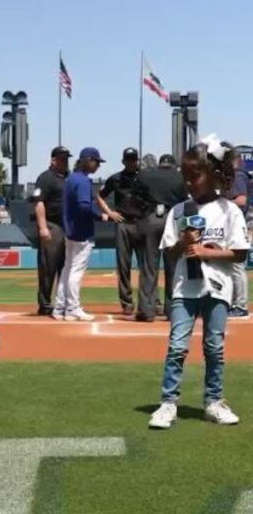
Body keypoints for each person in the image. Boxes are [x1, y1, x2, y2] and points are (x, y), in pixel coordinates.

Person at [148, 137, 249, 429]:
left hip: (217, 289)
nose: (190, 182)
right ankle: (168, 403)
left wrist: (206, 251)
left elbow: (240, 253)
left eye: (196, 175)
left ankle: (214, 401)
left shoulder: (229, 211)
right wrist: (184, 242)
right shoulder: (179, 211)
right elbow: (169, 251)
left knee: (214, 346)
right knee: (177, 345)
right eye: (186, 176)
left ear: (215, 175)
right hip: (183, 288)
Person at [55, 147, 112, 321]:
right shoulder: (83, 181)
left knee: (67, 269)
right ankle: (72, 308)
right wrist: (101, 216)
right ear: (87, 160)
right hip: (82, 232)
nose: (98, 165)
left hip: (70, 231)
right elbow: (84, 206)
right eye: (96, 161)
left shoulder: (71, 178)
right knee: (75, 271)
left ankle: (60, 307)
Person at [134, 155, 188, 322]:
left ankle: (146, 310)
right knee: (173, 267)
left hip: (151, 218)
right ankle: (173, 311)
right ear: (172, 164)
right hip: (172, 218)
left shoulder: (145, 174)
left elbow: (135, 196)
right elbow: (185, 199)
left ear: (160, 163)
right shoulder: (180, 176)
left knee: (149, 267)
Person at [100, 148, 144, 314]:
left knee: (145, 265)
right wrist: (109, 212)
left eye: (134, 159)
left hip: (141, 223)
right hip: (123, 223)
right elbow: (100, 195)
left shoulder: (144, 178)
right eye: (129, 159)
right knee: (123, 265)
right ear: (123, 161)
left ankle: (148, 301)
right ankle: (127, 303)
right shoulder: (116, 178)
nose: (132, 162)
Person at [32, 147, 71, 316]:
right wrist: (42, 227)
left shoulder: (69, 178)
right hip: (52, 225)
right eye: (62, 159)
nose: (65, 162)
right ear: (53, 160)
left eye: (66, 159)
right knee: (48, 267)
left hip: (68, 227)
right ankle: (45, 304)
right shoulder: (45, 178)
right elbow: (39, 202)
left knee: (66, 267)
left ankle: (64, 303)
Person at [226, 151, 250, 319]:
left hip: (239, 222)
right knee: (232, 264)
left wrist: (222, 203)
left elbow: (241, 200)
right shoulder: (232, 176)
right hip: (234, 222)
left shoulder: (238, 175)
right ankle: (235, 302)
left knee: (236, 264)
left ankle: (240, 305)